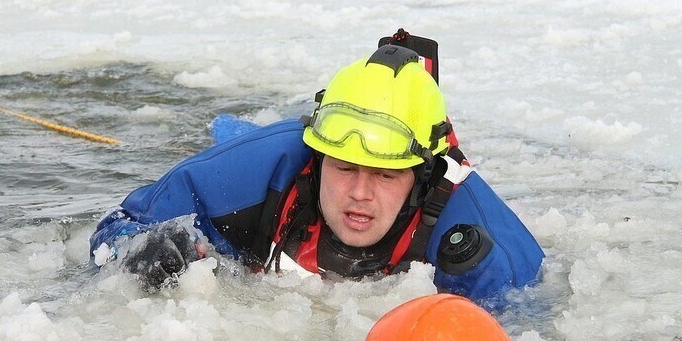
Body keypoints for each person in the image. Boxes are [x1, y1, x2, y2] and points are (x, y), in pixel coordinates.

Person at [90, 40, 544, 306]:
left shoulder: (478, 243)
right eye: (345, 167)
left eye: (386, 175)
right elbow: (119, 226)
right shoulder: (254, 171)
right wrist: (143, 252)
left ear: (422, 177)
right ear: (317, 158)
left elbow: (533, 324)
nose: (360, 193)